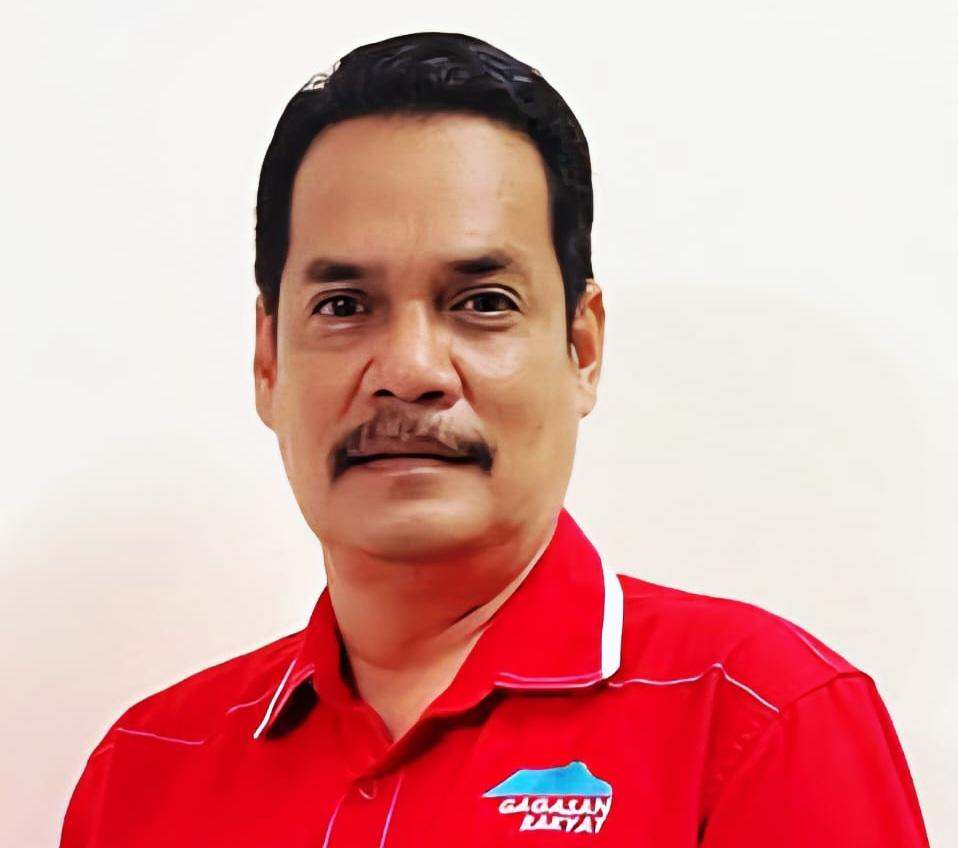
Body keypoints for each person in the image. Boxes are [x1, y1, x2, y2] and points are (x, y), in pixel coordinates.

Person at [60, 31, 930, 847]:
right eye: (343, 306)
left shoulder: (759, 716)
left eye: (482, 303)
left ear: (581, 349)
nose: (410, 370)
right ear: (267, 360)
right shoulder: (145, 770)